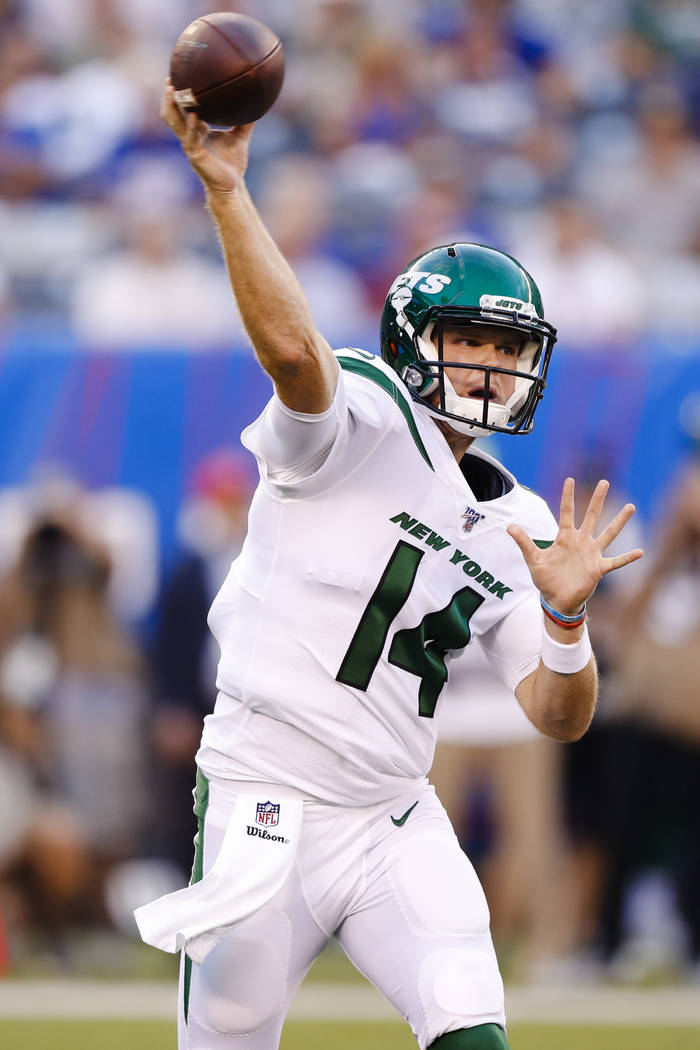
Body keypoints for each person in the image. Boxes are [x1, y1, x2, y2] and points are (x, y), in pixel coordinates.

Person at [135, 82, 643, 1050]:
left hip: (389, 811)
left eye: (510, 349)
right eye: (471, 345)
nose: (495, 370)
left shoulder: (519, 517)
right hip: (263, 788)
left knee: (472, 1031)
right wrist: (227, 193)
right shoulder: (361, 415)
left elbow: (553, 713)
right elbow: (291, 350)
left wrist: (569, 625)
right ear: (413, 345)